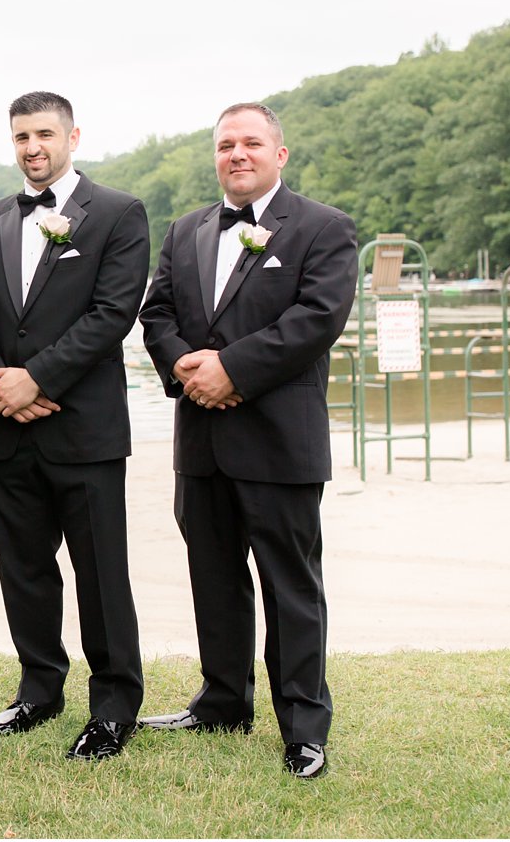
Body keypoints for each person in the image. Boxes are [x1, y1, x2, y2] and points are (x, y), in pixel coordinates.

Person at [137, 102, 357, 779]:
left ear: (279, 154)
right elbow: (158, 311)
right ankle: (223, 701)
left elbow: (316, 319)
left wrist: (231, 368)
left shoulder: (324, 228)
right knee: (215, 577)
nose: (237, 154)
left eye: (251, 143)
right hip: (201, 442)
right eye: (226, 144)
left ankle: (303, 726)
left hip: (279, 441)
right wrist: (184, 366)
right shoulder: (185, 230)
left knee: (291, 585)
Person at [0, 91, 148, 760]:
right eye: (20, 136)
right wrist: (0, 387)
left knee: (101, 572)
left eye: (44, 133)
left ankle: (113, 706)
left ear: (74, 135)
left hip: (85, 429)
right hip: (7, 429)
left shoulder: (119, 213)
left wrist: (36, 380)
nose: (32, 147)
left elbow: (111, 315)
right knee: (24, 570)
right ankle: (38, 690)